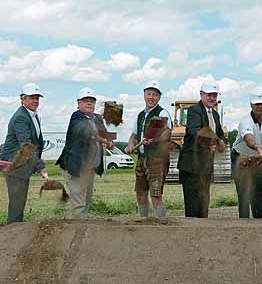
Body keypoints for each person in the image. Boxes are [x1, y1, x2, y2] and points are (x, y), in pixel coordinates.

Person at [56, 88, 112, 218]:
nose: (89, 103)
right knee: (78, 200)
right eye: (85, 101)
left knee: (86, 198)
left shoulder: (97, 118)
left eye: (91, 101)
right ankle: (75, 229)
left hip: (90, 166)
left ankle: (81, 227)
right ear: (78, 103)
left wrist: (109, 141)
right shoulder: (76, 117)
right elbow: (86, 133)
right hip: (75, 166)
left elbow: (104, 134)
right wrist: (102, 138)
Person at [0, 83, 49, 223]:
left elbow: (35, 142)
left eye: (37, 98)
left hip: (22, 164)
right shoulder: (21, 117)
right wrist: (40, 166)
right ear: (22, 99)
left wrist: (37, 160)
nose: (35, 101)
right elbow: (26, 145)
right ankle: (12, 236)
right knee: (17, 204)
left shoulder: (33, 115)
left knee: (19, 202)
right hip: (14, 165)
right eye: (31, 98)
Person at [177, 80, 226, 218]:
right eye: (209, 95)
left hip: (205, 165)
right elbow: (195, 131)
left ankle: (202, 232)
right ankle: (191, 233)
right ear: (201, 94)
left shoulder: (215, 114)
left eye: (214, 95)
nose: (212, 98)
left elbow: (220, 134)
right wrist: (214, 141)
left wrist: (222, 141)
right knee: (192, 204)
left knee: (203, 201)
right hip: (191, 165)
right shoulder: (194, 111)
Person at [125, 80, 172, 217]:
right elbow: (134, 135)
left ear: (159, 97)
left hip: (157, 160)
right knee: (140, 192)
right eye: (149, 94)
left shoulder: (163, 113)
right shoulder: (140, 115)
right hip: (142, 158)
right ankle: (143, 220)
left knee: (156, 195)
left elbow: (167, 134)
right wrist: (130, 145)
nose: (151, 97)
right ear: (144, 95)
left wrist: (154, 140)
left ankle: (162, 221)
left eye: (155, 95)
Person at [231, 87, 262, 218]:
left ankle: (261, 220)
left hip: (258, 157)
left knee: (259, 190)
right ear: (251, 105)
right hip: (241, 156)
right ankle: (244, 221)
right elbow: (248, 138)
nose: (260, 106)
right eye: (257, 104)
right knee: (244, 191)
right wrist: (257, 146)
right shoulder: (245, 121)